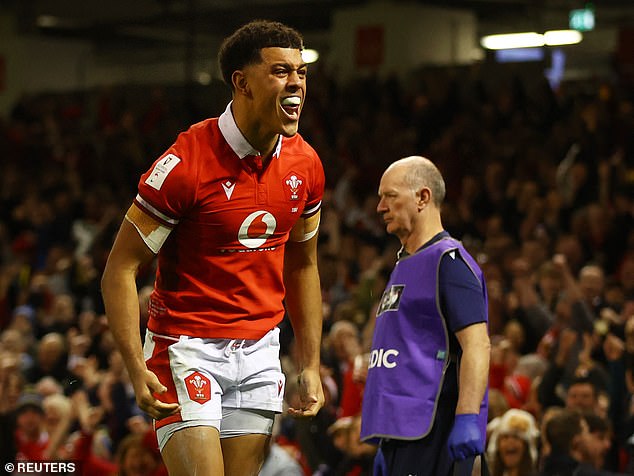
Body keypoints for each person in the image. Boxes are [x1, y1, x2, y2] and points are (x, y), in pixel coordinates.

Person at [101, 19, 326, 476]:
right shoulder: (185, 164)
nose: (296, 83)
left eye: (301, 72)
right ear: (241, 82)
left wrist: (310, 361)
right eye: (281, 71)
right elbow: (120, 270)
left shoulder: (307, 164)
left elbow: (303, 265)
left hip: (260, 350)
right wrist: (132, 364)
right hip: (186, 347)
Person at [359, 156, 490, 475]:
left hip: (435, 435)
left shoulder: (449, 262)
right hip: (401, 437)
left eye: (390, 196)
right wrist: (387, 444)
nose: (380, 207)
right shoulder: (404, 265)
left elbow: (477, 345)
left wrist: (467, 418)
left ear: (423, 197)